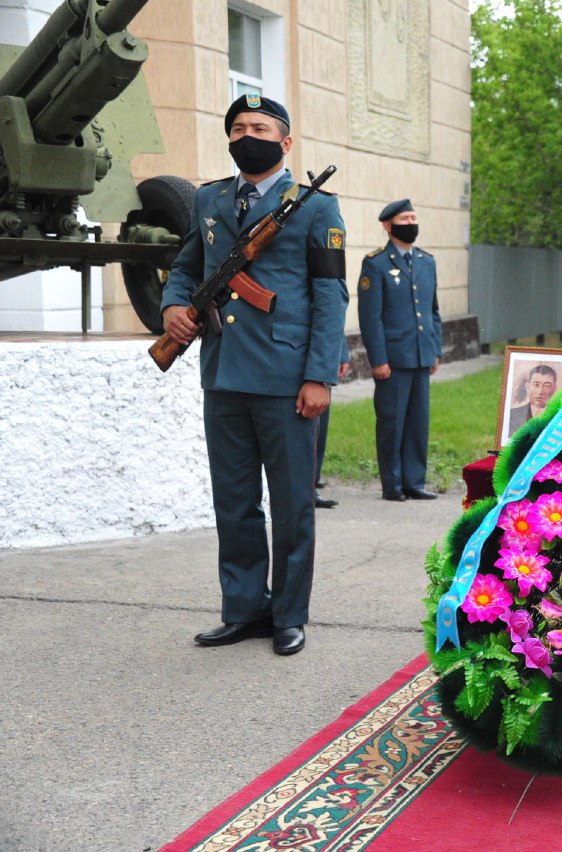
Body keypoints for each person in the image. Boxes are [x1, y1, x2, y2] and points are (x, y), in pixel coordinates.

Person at [160, 93, 348, 656]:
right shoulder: (210, 198)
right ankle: (243, 609)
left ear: (285, 141)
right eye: (239, 127)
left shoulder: (316, 207)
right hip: (223, 373)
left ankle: (288, 614)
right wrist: (172, 304)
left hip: (287, 377)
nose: (249, 134)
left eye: (261, 127)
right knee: (234, 502)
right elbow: (189, 264)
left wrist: (319, 376)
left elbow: (329, 295)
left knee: (292, 504)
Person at [357, 199, 443, 502]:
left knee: (418, 423)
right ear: (388, 225)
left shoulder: (426, 261)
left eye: (414, 218)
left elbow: (432, 311)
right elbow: (371, 318)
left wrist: (435, 351)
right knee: (392, 423)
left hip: (421, 356)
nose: (411, 223)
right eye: (404, 219)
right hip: (392, 360)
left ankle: (414, 482)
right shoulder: (376, 263)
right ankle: (392, 485)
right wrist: (378, 359)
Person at [314, 336, 350, 509]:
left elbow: (332, 312)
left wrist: (341, 353)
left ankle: (311, 486)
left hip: (321, 355)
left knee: (318, 430)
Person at [508, 364, 558, 434]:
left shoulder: (560, 418)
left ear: (554, 389)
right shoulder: (512, 415)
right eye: (536, 385)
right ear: (527, 387)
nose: (540, 391)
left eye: (547, 386)